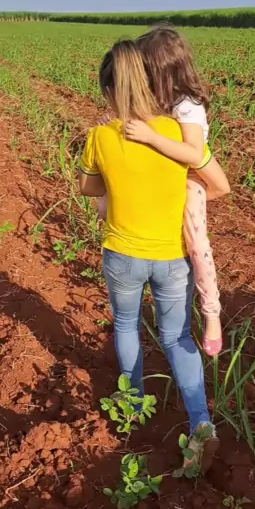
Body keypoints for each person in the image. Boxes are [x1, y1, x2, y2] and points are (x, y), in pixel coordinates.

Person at [78, 40, 220, 473]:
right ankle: (201, 422)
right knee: (176, 338)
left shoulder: (100, 136)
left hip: (122, 253)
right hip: (172, 257)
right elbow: (217, 181)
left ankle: (133, 405)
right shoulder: (178, 134)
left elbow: (89, 189)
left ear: (110, 92)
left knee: (126, 324)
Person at [101, 25, 230, 356]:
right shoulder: (162, 100)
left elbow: (194, 154)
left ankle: (211, 313)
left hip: (190, 179)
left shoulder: (187, 105)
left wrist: (151, 137)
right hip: (164, 176)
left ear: (159, 70)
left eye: (144, 69)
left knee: (197, 244)